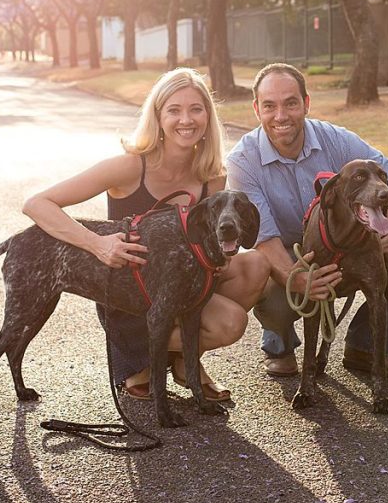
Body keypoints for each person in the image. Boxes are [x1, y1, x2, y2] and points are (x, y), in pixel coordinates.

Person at [22, 68, 270, 401]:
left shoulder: (212, 177)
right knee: (231, 322)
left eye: (196, 109)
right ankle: (138, 360)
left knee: (254, 265)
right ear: (158, 116)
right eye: (174, 110)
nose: (186, 119)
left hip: (177, 288)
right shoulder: (128, 167)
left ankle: (185, 360)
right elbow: (37, 204)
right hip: (130, 296)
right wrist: (96, 244)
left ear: (208, 117)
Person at [226, 63, 388, 378]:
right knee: (274, 290)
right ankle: (279, 342)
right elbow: (264, 240)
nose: (281, 115)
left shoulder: (339, 141)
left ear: (306, 103)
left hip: (351, 247)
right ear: (256, 109)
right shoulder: (242, 161)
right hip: (291, 252)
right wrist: (298, 279)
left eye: (291, 103)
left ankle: (368, 346)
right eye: (269, 106)